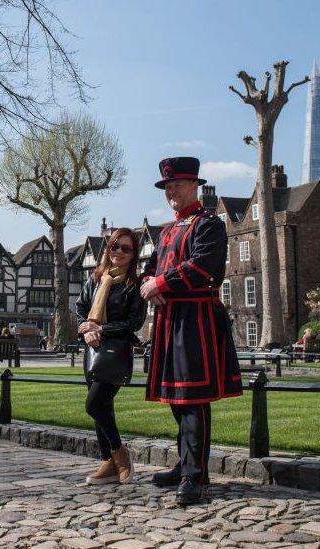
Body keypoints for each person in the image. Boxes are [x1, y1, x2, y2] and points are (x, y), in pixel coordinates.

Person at [139, 157, 243, 505]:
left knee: (192, 397)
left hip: (196, 318)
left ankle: (194, 477)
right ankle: (187, 464)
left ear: (194, 186)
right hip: (170, 320)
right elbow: (150, 268)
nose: (171, 192)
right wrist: (147, 283)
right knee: (175, 397)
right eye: (167, 187)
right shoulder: (168, 230)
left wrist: (159, 285)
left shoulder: (208, 224)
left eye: (177, 185)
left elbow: (202, 267)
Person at [76, 228, 146, 485]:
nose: (118, 252)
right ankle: (108, 464)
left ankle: (120, 454)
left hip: (115, 352)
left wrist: (101, 329)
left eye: (125, 248)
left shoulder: (134, 285)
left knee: (94, 404)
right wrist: (85, 328)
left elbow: (134, 322)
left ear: (133, 255)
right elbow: (81, 307)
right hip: (92, 350)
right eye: (115, 246)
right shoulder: (96, 278)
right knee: (102, 409)